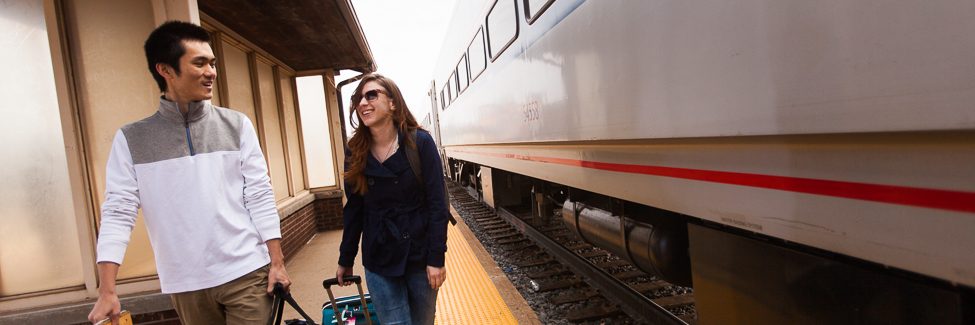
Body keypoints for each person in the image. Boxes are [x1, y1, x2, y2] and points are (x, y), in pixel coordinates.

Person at [88, 21, 290, 325]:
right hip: (185, 283)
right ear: (166, 70)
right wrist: (107, 291)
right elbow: (118, 212)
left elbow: (259, 194)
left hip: (247, 272)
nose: (211, 72)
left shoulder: (236, 124)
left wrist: (277, 262)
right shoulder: (131, 139)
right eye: (200, 63)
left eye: (212, 63)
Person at [335, 74, 450, 325]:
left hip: (419, 256)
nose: (363, 102)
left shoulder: (419, 142)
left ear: (393, 103)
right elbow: (354, 208)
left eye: (372, 95)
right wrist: (346, 258)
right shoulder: (355, 151)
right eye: (358, 99)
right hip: (380, 257)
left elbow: (438, 205)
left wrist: (436, 258)